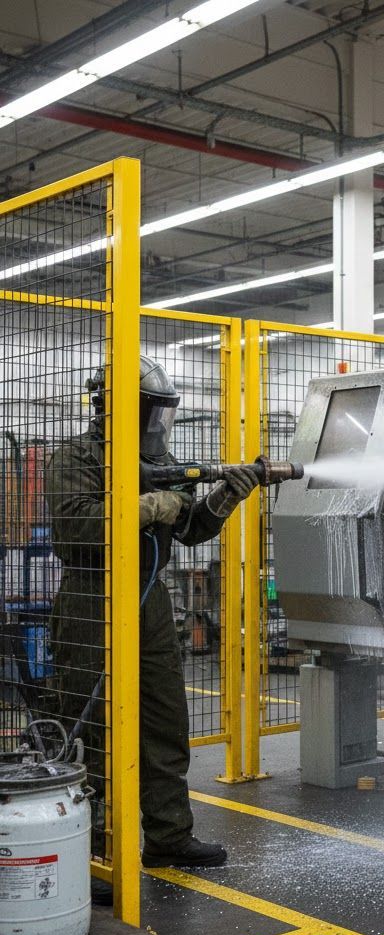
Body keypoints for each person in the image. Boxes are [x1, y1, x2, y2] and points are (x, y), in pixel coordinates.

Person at [45, 355, 260, 897]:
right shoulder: (73, 456)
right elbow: (77, 525)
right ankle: (90, 851)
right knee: (88, 725)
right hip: (92, 597)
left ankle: (169, 836)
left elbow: (191, 528)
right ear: (114, 407)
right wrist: (146, 506)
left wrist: (227, 495)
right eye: (150, 411)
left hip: (149, 599)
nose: (158, 423)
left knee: (165, 721)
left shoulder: (155, 456)